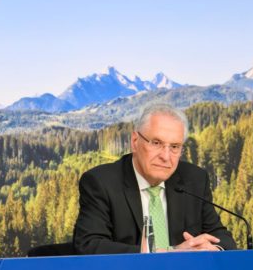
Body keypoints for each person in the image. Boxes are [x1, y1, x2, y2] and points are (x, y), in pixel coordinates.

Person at [73, 103, 236, 254]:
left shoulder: (194, 180)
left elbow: (223, 239)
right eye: (156, 143)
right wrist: (165, 253)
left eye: (174, 147)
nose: (165, 156)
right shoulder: (101, 182)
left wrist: (211, 249)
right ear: (135, 141)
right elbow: (89, 244)